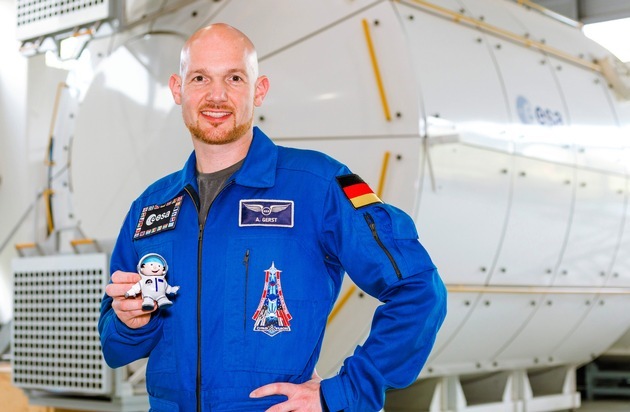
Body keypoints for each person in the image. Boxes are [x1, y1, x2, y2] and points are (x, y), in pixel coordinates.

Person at [98, 23, 447, 412]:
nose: (216, 95)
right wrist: (130, 323)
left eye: (234, 78)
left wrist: (344, 392)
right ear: (178, 89)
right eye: (200, 78)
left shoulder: (318, 185)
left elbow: (419, 290)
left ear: (258, 90)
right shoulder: (150, 208)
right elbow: (114, 347)